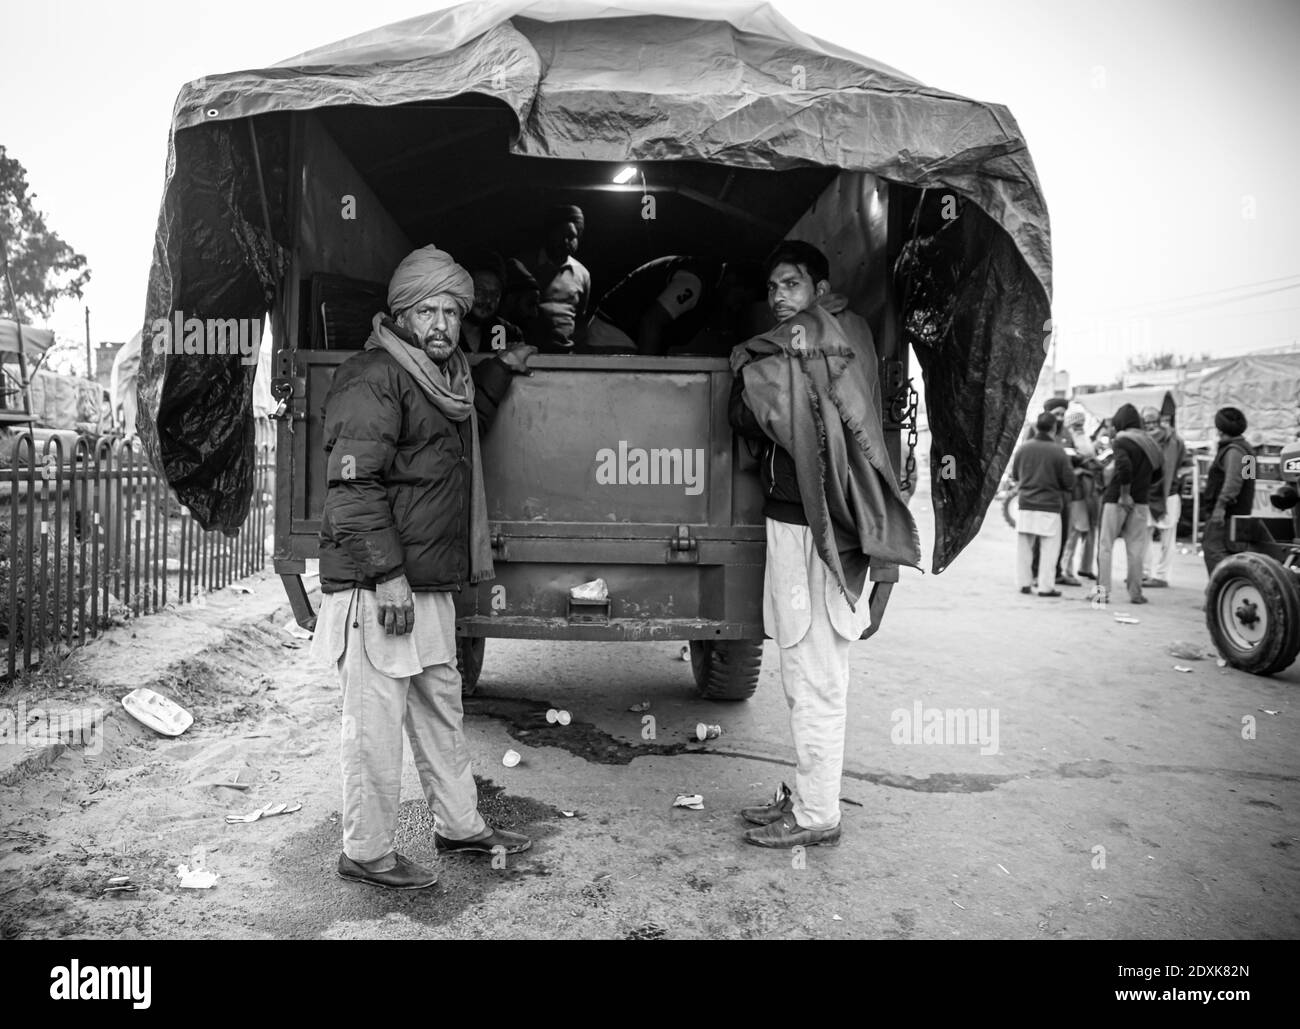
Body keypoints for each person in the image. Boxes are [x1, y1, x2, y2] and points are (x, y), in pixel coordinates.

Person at [311, 245, 537, 890]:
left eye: (450, 310)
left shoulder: (447, 380)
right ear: (401, 314)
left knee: (441, 706)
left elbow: (459, 435)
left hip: (427, 584)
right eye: (427, 309)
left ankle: (460, 826)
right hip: (377, 586)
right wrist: (387, 576)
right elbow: (353, 488)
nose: (440, 322)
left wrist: (499, 371)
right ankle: (366, 850)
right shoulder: (372, 376)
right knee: (375, 726)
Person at [729, 240, 919, 850]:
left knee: (817, 678)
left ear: (818, 286)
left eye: (791, 284)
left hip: (823, 534)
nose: (779, 298)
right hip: (796, 527)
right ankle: (807, 796)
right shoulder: (817, 339)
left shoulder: (824, 339)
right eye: (773, 288)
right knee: (800, 673)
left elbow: (750, 412)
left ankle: (816, 817)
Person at [585, 256, 767, 356]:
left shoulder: (707, 282)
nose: (736, 307)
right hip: (613, 336)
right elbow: (652, 321)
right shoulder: (694, 282)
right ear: (733, 280)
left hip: (619, 333)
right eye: (740, 299)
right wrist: (648, 373)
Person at [1091, 403, 1162, 606]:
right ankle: (1136, 593)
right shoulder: (1151, 443)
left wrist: (1124, 494)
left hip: (1116, 500)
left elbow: (1124, 466)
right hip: (1141, 501)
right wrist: (1140, 487)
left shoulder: (1122, 440)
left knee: (1105, 546)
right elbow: (1159, 473)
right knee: (1136, 548)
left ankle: (1101, 594)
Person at [1010, 411, 1075, 596]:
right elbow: (1069, 481)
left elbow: (1015, 476)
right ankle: (1046, 587)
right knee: (1049, 549)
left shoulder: (1024, 449)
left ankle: (1024, 583)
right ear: (1054, 428)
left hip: (1026, 504)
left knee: (1024, 547)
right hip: (1049, 506)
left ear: (1037, 427)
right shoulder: (1058, 451)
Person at [515, 204, 591, 353]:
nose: (565, 242)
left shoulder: (582, 274)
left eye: (571, 237)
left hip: (566, 352)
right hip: (529, 351)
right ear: (549, 234)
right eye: (560, 235)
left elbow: (581, 318)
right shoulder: (525, 265)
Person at [1029, 397, 1082, 586]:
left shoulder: (1067, 432)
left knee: (1062, 534)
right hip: (1043, 490)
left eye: (1062, 414)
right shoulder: (1035, 430)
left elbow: (1077, 454)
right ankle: (1036, 573)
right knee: (1040, 535)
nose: (1059, 418)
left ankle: (1056, 571)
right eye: (1056, 414)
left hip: (1064, 492)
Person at [1202, 406, 1255, 577]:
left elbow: (1233, 482)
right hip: (1241, 512)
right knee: (1232, 555)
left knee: (1214, 551)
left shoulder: (1233, 451)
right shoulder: (1247, 449)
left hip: (1226, 514)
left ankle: (1219, 593)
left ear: (1220, 429)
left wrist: (1220, 506)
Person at [1141, 406, 1191, 588]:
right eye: (1147, 423)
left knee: (1167, 537)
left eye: (1154, 421)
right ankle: (1144, 572)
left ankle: (1162, 576)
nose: (1151, 426)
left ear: (1160, 421)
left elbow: (1187, 465)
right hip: (1147, 494)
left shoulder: (1174, 440)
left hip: (1169, 495)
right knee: (1144, 535)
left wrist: (1175, 478)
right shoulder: (1141, 440)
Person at [1059, 408, 1102, 581]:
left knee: (1090, 531)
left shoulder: (1085, 441)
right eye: (1075, 425)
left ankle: (1085, 567)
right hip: (1076, 493)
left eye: (1080, 424)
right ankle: (1066, 569)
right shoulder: (1066, 444)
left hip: (1090, 492)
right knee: (1074, 532)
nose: (1078, 427)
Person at [458, 250, 525, 355]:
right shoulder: (443, 328)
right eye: (480, 290)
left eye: (495, 293)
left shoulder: (508, 333)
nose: (488, 299)